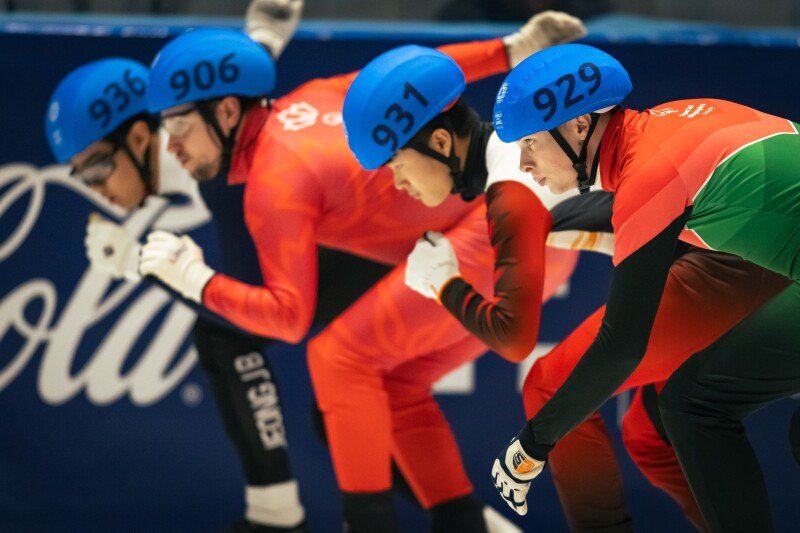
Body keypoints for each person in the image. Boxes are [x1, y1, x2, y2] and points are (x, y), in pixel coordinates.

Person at [139, 13, 586, 532]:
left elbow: (288, 318)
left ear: (227, 110)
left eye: (178, 127)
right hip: (529, 233)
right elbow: (419, 75)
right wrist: (511, 47)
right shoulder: (311, 97)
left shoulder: (273, 184)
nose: (170, 146)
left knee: (340, 359)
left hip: (500, 231)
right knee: (393, 381)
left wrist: (193, 279)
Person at [341, 45, 789, 531]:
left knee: (558, 384)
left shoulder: (518, 195)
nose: (396, 183)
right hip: (737, 255)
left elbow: (522, 337)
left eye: (395, 164)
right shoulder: (657, 125)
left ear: (443, 143)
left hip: (729, 264)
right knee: (649, 431)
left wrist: (444, 284)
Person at [490, 43, 800, 532]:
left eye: (529, 142)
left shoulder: (648, 174)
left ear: (577, 125)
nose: (524, 164)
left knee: (693, 404)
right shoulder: (674, 120)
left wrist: (533, 444)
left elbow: (620, 349)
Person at [44, 3, 310, 531]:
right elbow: (246, 65)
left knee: (226, 339)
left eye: (96, 170)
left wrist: (150, 269)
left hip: (392, 254)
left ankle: (278, 517)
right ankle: (276, 514)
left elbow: (256, 316)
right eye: (80, 180)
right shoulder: (208, 131)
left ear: (140, 139)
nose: (96, 193)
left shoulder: (219, 176)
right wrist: (265, 32)